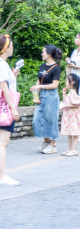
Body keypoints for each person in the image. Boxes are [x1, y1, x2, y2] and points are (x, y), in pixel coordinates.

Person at [31, 45, 62, 154]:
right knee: (37, 120)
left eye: (43, 52)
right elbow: (38, 81)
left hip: (51, 96)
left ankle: (53, 145)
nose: (42, 54)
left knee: (51, 120)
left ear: (49, 54)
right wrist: (36, 96)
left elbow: (55, 85)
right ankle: (46, 142)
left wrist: (39, 87)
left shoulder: (56, 67)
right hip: (42, 96)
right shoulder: (42, 66)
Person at [0, 34, 21, 186]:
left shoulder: (3, 65)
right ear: (6, 48)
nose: (13, 48)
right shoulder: (2, 64)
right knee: (2, 142)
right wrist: (13, 108)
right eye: (11, 46)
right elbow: (4, 88)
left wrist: (13, 76)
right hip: (4, 108)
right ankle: (2, 176)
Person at [59, 73, 80, 157]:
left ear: (72, 82)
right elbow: (66, 101)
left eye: (66, 81)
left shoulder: (73, 93)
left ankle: (74, 150)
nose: (65, 83)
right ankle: (69, 149)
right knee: (69, 133)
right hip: (69, 117)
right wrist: (64, 94)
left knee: (74, 133)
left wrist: (66, 106)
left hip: (73, 117)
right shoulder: (70, 93)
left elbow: (77, 104)